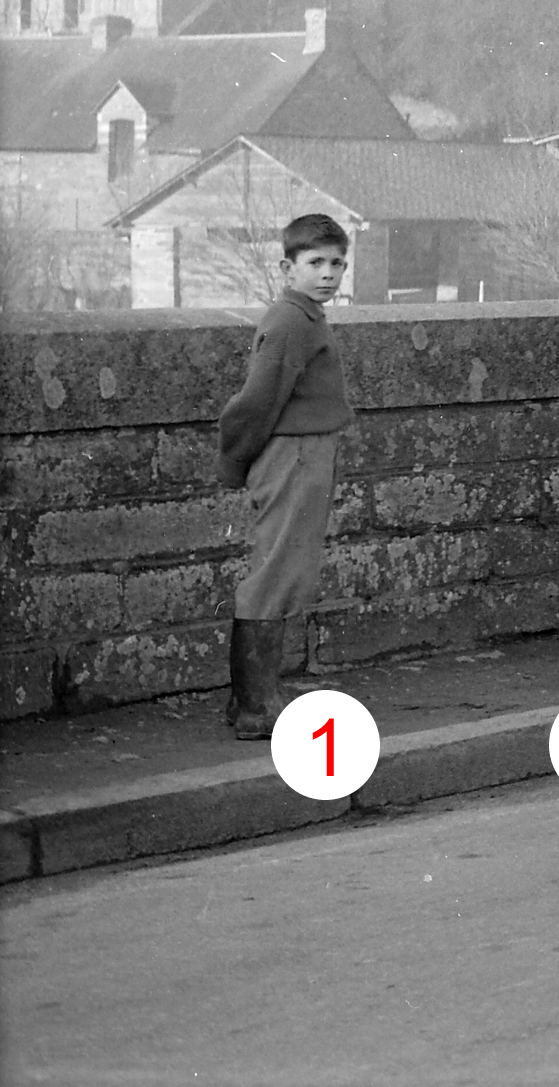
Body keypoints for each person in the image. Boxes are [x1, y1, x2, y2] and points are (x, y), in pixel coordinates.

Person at [213, 213, 356, 739]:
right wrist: (234, 462)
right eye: (315, 262)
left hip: (309, 453)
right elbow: (255, 402)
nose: (328, 273)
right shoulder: (290, 321)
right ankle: (256, 706)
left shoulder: (307, 315)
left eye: (337, 263)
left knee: (287, 570)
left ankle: (254, 696)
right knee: (275, 572)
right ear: (286, 266)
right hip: (292, 456)